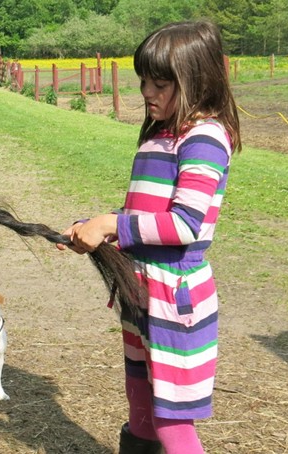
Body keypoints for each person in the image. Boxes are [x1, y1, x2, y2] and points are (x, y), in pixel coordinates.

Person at [57, 21, 241, 454]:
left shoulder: (205, 139)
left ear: (199, 81)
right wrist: (92, 226)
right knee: (140, 406)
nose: (146, 92)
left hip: (175, 302)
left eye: (160, 83)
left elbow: (183, 224)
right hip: (139, 291)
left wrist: (110, 225)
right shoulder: (159, 137)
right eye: (143, 81)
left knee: (172, 422)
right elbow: (143, 216)